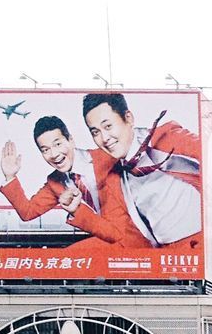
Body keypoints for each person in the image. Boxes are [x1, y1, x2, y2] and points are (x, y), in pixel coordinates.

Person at [59, 93, 202, 248]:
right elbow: (121, 234)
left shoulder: (165, 138)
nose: (105, 138)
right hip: (164, 257)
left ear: (128, 118)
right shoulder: (115, 178)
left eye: (108, 126)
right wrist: (78, 211)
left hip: (201, 246)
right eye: (95, 132)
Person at [0, 115, 103, 224]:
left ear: (71, 140)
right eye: (45, 150)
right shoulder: (56, 182)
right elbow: (28, 212)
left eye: (57, 144)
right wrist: (10, 176)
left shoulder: (105, 157)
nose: (54, 154)